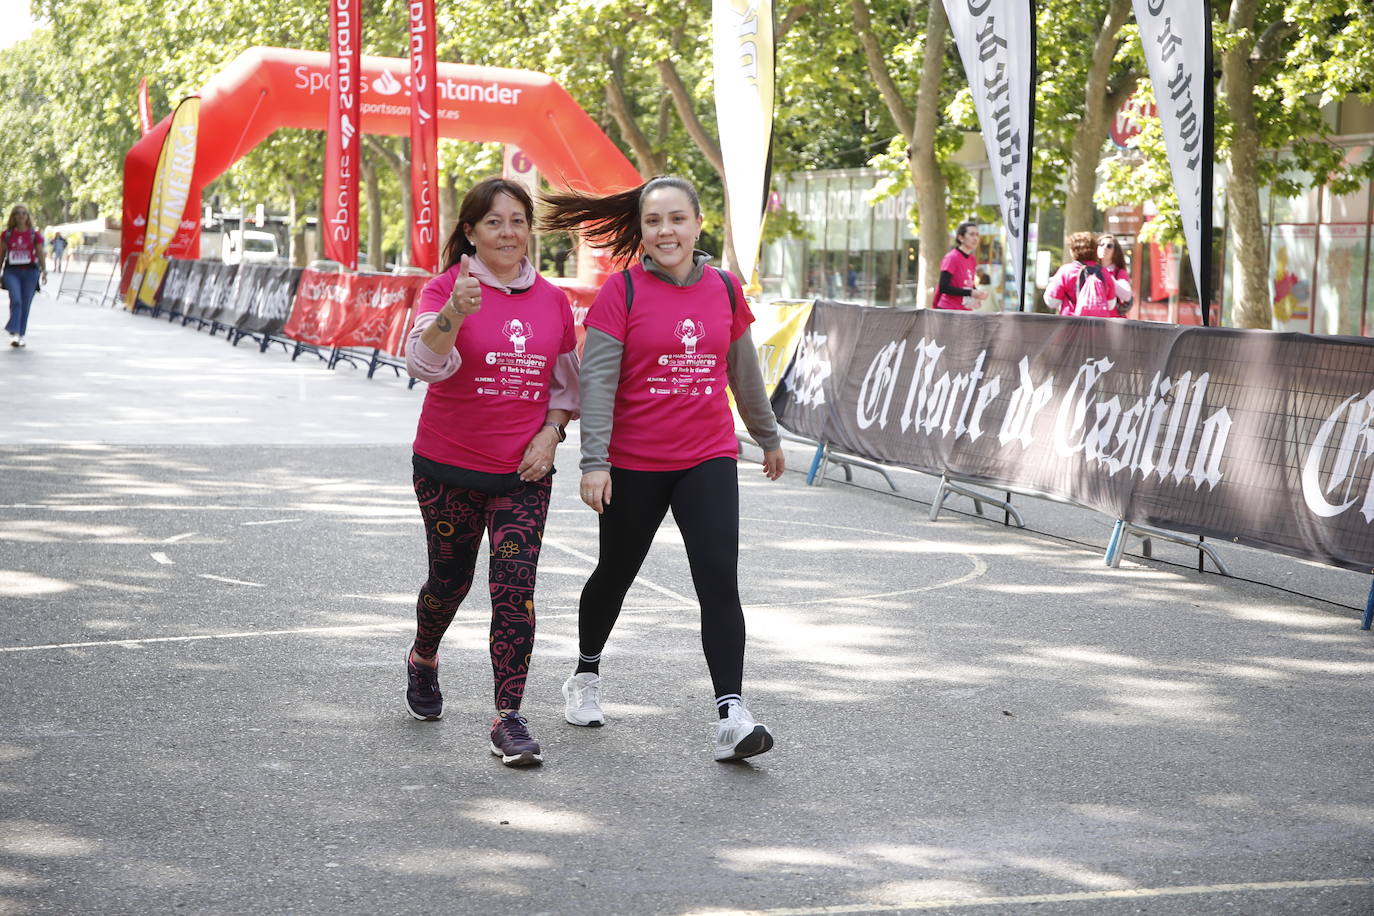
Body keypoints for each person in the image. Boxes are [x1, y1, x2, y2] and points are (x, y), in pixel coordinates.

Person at [539, 175, 786, 763]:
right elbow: (596, 385)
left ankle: (731, 714)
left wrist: (767, 436)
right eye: (654, 222)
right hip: (635, 463)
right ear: (642, 232)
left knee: (718, 582)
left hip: (707, 457)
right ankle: (586, 675)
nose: (665, 231)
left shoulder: (725, 290)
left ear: (698, 224)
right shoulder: (620, 293)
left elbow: (742, 372)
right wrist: (594, 462)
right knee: (615, 574)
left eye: (677, 219)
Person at [402, 177, 580, 768]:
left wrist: (551, 434)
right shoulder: (445, 288)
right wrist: (453, 311)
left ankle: (509, 716)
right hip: (447, 468)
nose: (509, 232)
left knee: (514, 589)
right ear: (472, 231)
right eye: (495, 222)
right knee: (448, 583)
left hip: (523, 473)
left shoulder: (554, 301)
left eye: (518, 220)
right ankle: (424, 656)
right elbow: (425, 365)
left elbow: (566, 386)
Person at [1044, 231, 1132, 318]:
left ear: (1073, 250)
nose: (1104, 248)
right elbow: (1111, 304)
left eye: (1109, 246)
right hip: (1098, 326)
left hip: (1070, 324)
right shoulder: (1104, 272)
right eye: (1101, 245)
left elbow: (1052, 301)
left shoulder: (1066, 270)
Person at [2, 205, 46, 348]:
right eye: (17, 213)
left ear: (27, 216)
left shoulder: (34, 235)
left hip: (30, 272)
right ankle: (14, 331)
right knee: (16, 299)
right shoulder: (7, 234)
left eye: (24, 213)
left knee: (25, 303)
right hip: (12, 271)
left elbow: (40, 253)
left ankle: (20, 335)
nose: (21, 216)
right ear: (13, 217)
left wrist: (44, 270)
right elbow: (1, 254)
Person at [932, 221, 989, 310]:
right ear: (961, 238)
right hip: (948, 310)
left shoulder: (972, 259)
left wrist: (977, 295)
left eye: (977, 235)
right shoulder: (951, 258)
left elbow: (968, 284)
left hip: (964, 310)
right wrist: (971, 293)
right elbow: (943, 287)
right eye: (971, 234)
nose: (975, 238)